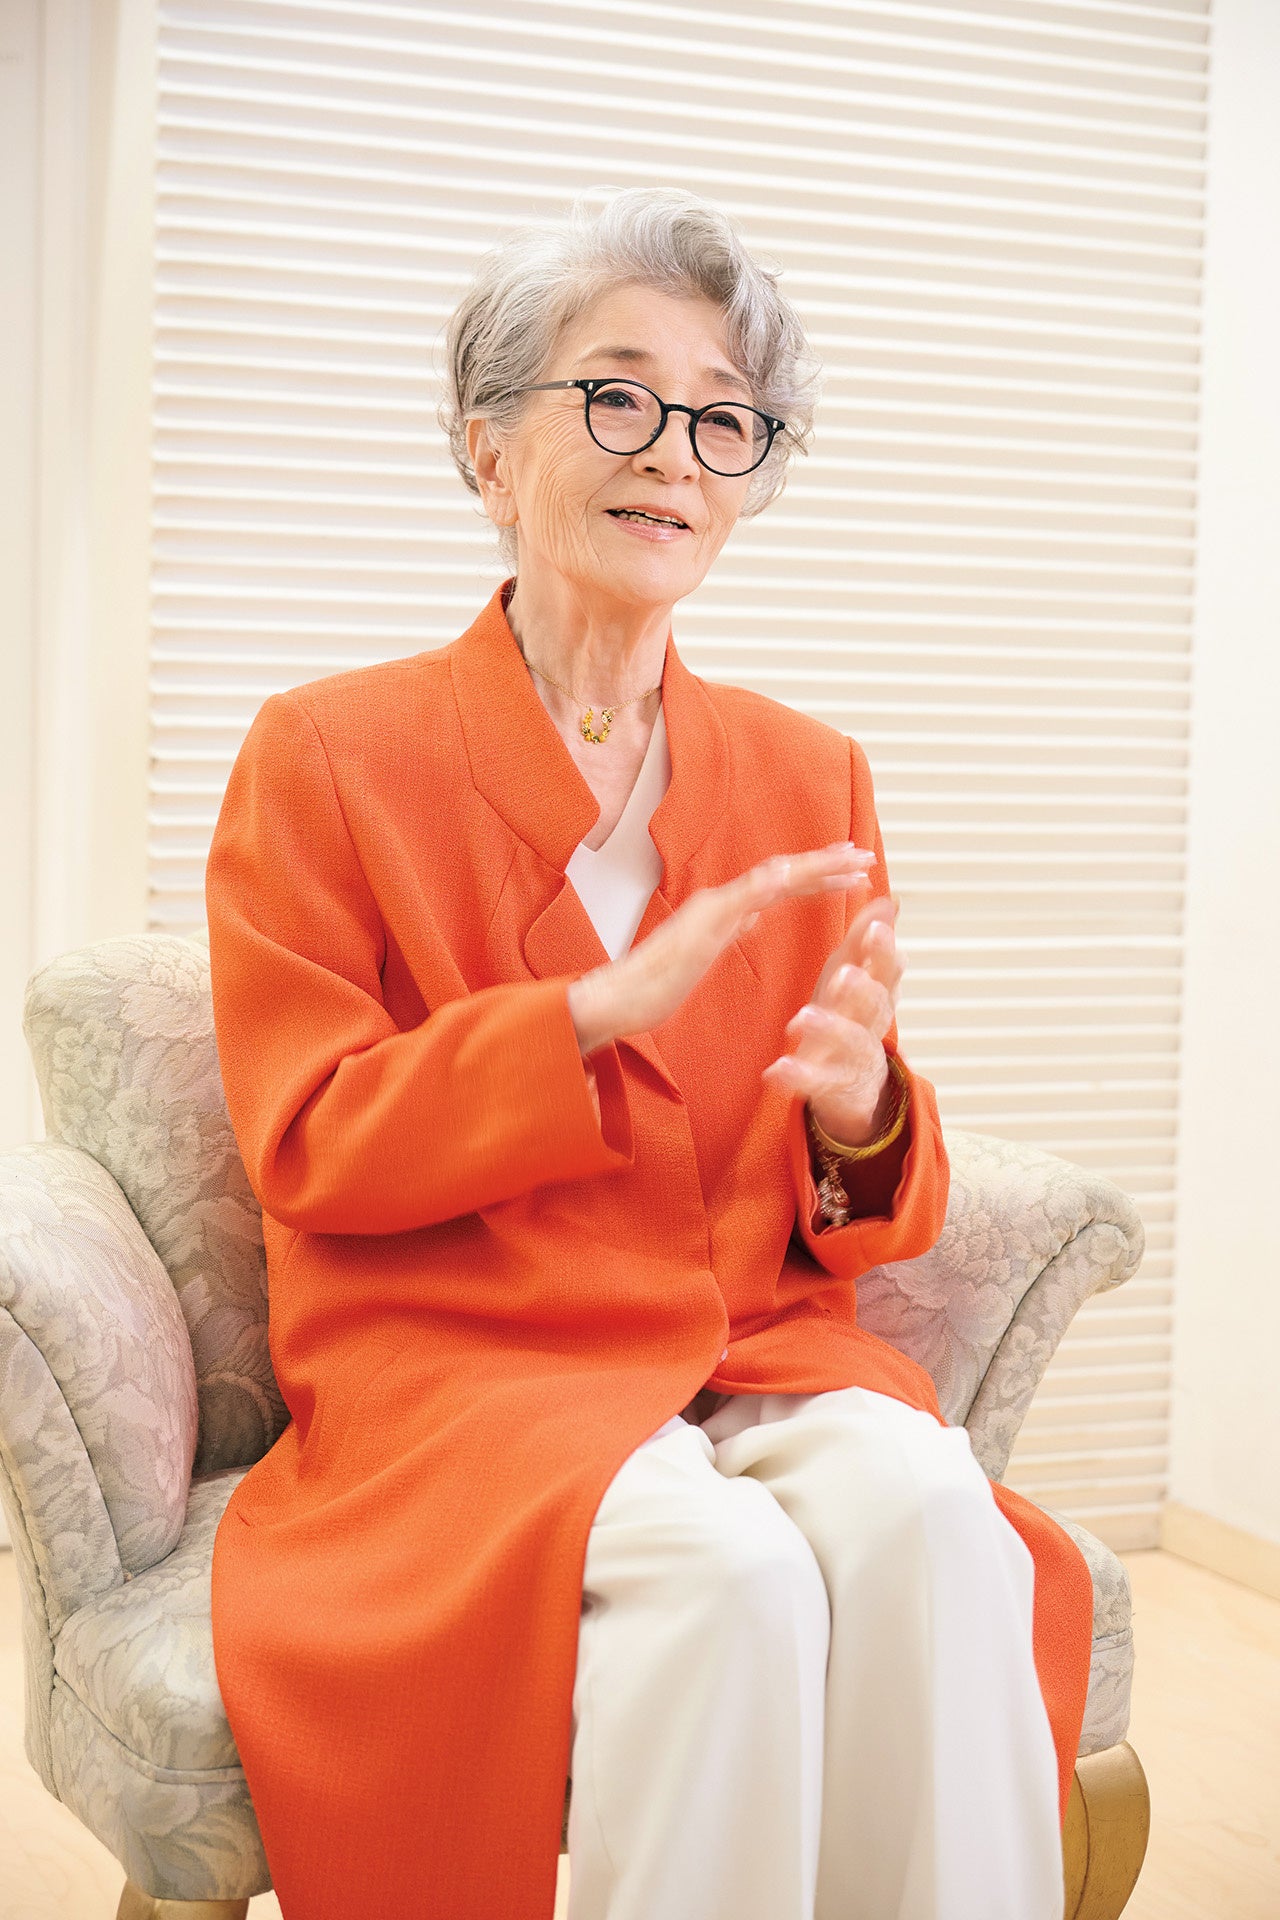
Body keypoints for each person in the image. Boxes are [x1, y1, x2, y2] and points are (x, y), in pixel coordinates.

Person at [205, 186, 1093, 1920]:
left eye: (722, 420)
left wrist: (860, 1107)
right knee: (727, 1577)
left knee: (933, 1512)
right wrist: (587, 1017)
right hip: (468, 1365)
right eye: (617, 396)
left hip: (750, 1339)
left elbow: (857, 1183)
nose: (674, 452)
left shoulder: (810, 772)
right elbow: (308, 1140)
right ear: (489, 451)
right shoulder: (327, 755)